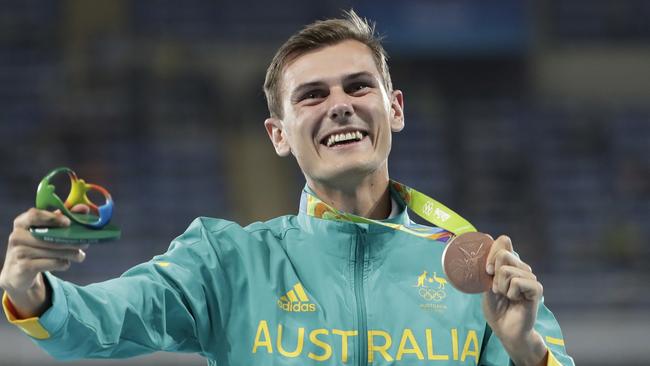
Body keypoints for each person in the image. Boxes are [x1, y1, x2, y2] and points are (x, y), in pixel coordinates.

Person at [1, 10, 574, 366]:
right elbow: (97, 324)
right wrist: (34, 293)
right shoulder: (225, 263)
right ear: (278, 134)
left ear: (394, 108)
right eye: (312, 96)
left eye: (358, 86)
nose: (340, 106)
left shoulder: (478, 272)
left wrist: (526, 351)